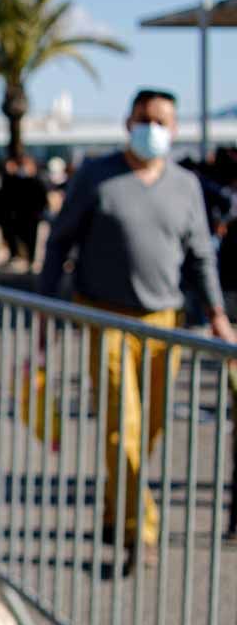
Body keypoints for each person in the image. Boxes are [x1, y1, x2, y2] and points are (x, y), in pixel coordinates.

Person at [39, 88, 237, 572]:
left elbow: (201, 256)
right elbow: (60, 241)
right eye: (145, 118)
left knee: (148, 428)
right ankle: (140, 529)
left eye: (163, 120)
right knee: (119, 429)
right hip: (104, 318)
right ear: (129, 121)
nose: (154, 128)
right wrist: (47, 310)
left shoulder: (186, 185)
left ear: (175, 127)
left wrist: (216, 315)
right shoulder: (96, 175)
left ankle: (115, 507)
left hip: (165, 324)